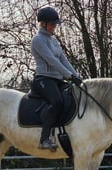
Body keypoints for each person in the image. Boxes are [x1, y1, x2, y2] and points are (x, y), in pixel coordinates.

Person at [31, 6, 82, 150]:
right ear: (43, 24)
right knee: (57, 101)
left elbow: (63, 60)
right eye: (52, 24)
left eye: (55, 24)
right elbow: (52, 60)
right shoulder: (38, 40)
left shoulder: (53, 40)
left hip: (57, 79)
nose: (55, 27)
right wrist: (69, 76)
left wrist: (76, 76)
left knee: (72, 96)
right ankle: (44, 139)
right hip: (43, 79)